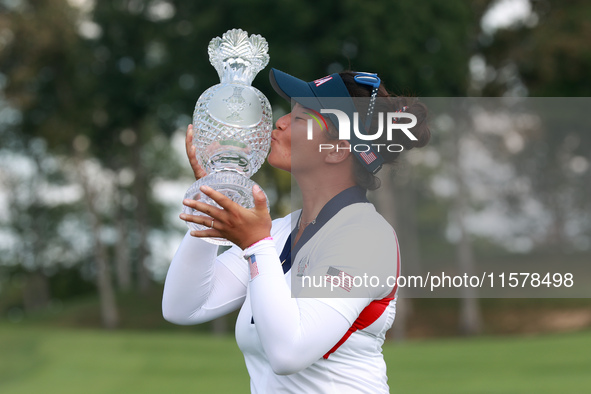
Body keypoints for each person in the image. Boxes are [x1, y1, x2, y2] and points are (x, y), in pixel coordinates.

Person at [162, 68, 430, 393]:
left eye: (302, 117)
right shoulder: (279, 232)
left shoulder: (366, 238)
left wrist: (256, 244)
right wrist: (213, 195)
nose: (281, 122)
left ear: (337, 150)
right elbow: (182, 306)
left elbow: (289, 353)